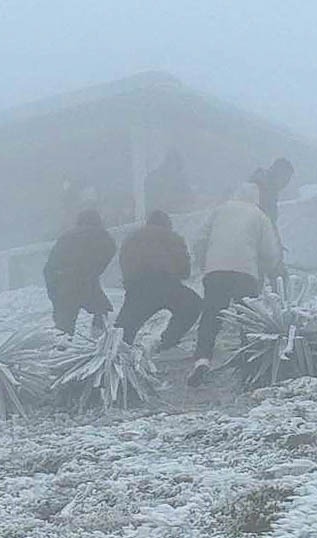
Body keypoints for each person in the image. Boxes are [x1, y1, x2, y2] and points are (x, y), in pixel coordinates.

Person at [186, 183, 282, 387]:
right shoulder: (259, 216)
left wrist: (204, 262)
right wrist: (266, 268)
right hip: (246, 273)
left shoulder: (219, 211)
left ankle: (202, 359)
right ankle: (250, 363)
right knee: (247, 319)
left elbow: (198, 238)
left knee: (211, 314)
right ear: (256, 198)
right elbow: (270, 251)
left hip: (216, 271)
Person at [113, 210, 203, 348]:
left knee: (124, 329)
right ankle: (167, 342)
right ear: (167, 224)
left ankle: (114, 352)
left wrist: (130, 283)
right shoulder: (172, 237)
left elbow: (124, 262)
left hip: (136, 287)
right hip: (165, 284)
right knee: (193, 305)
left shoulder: (131, 238)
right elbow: (184, 269)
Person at [43, 209, 117, 338]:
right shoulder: (101, 234)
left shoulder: (65, 237)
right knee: (102, 309)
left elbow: (50, 266)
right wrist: (93, 271)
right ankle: (98, 340)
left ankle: (60, 351)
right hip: (83, 280)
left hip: (60, 281)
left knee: (64, 323)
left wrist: (55, 293)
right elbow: (109, 251)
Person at [144, 148, 194, 216]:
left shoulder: (180, 180)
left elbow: (189, 199)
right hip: (158, 220)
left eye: (179, 167)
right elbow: (155, 206)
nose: (179, 170)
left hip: (177, 217)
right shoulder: (153, 180)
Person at [248, 157, 295, 225]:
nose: (285, 184)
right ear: (278, 174)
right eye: (285, 179)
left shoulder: (270, 191)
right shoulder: (260, 188)